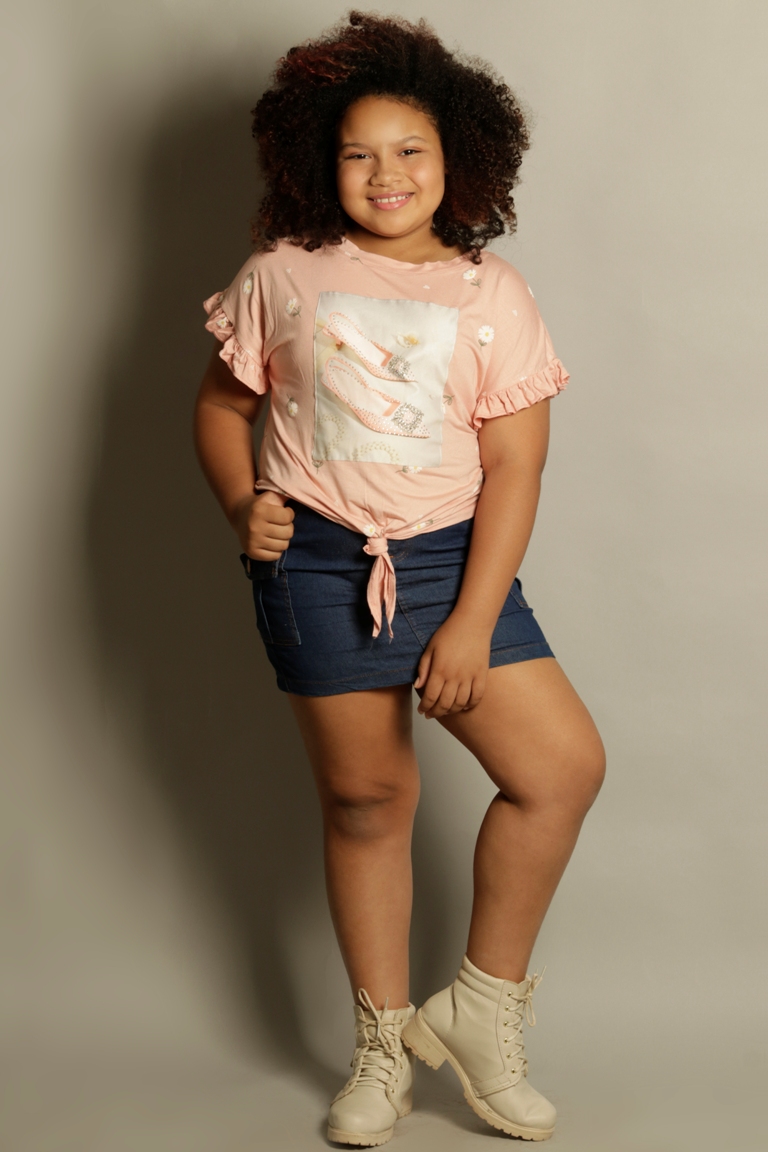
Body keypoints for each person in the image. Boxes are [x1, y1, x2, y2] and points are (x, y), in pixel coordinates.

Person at [194, 11, 605, 1145]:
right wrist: (240, 503)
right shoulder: (281, 275)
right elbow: (223, 408)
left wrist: (471, 620)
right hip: (317, 562)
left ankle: (480, 1007)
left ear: (457, 156)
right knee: (368, 802)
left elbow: (516, 467)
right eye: (358, 153)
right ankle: (381, 1046)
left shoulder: (491, 293)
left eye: (411, 149)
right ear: (317, 162)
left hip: (451, 562)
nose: (387, 174)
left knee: (561, 771)